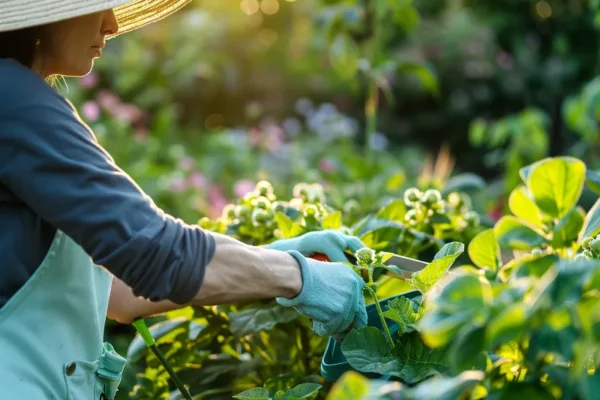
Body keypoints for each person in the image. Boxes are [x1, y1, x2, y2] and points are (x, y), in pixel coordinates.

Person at [0, 1, 369, 399]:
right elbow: (155, 253)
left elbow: (119, 293)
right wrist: (298, 276)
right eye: (95, 7)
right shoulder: (12, 99)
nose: (111, 23)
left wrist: (270, 255)